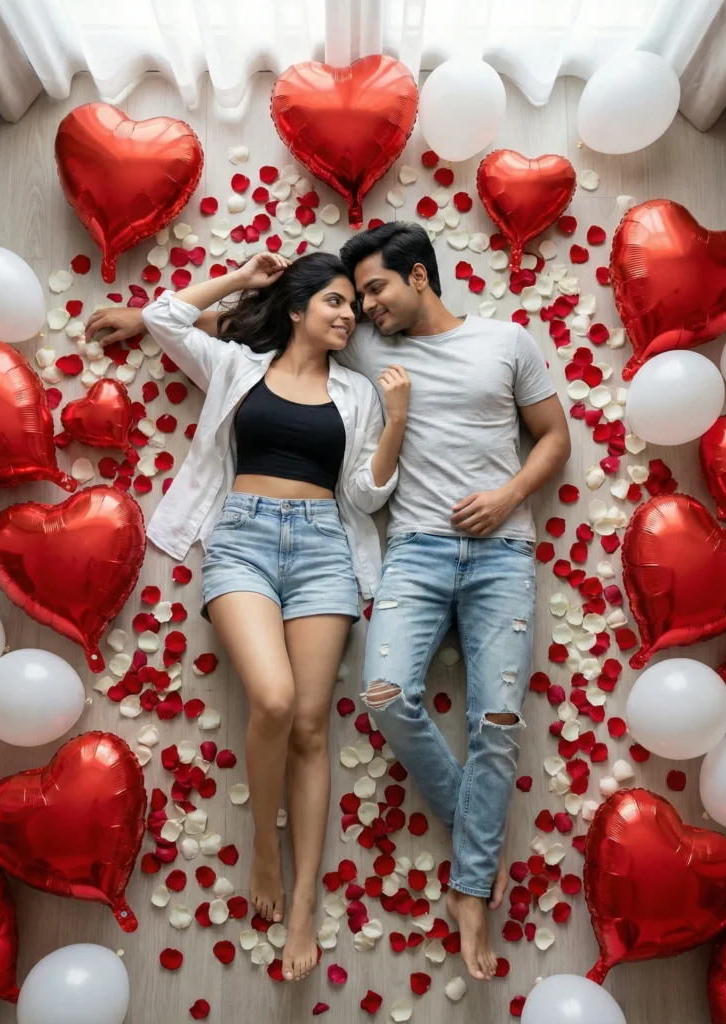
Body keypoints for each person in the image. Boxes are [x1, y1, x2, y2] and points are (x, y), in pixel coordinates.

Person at [85, 252, 410, 983]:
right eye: (333, 301)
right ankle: (266, 845)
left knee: (307, 723)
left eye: (352, 305)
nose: (348, 314)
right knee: (272, 698)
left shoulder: (358, 393)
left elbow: (364, 497)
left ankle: (302, 907)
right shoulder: (236, 367)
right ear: (296, 310)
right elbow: (167, 317)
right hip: (242, 542)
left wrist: (394, 423)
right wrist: (242, 280)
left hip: (326, 546)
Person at [336, 222, 571, 982]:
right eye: (359, 296)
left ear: (419, 276)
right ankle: (478, 834)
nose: (366, 307)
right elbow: (277, 325)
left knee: (496, 723)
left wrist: (507, 496)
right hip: (415, 551)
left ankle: (470, 890)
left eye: (375, 289)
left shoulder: (507, 340)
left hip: (502, 553)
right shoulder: (369, 346)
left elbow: (553, 438)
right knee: (384, 695)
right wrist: (154, 318)